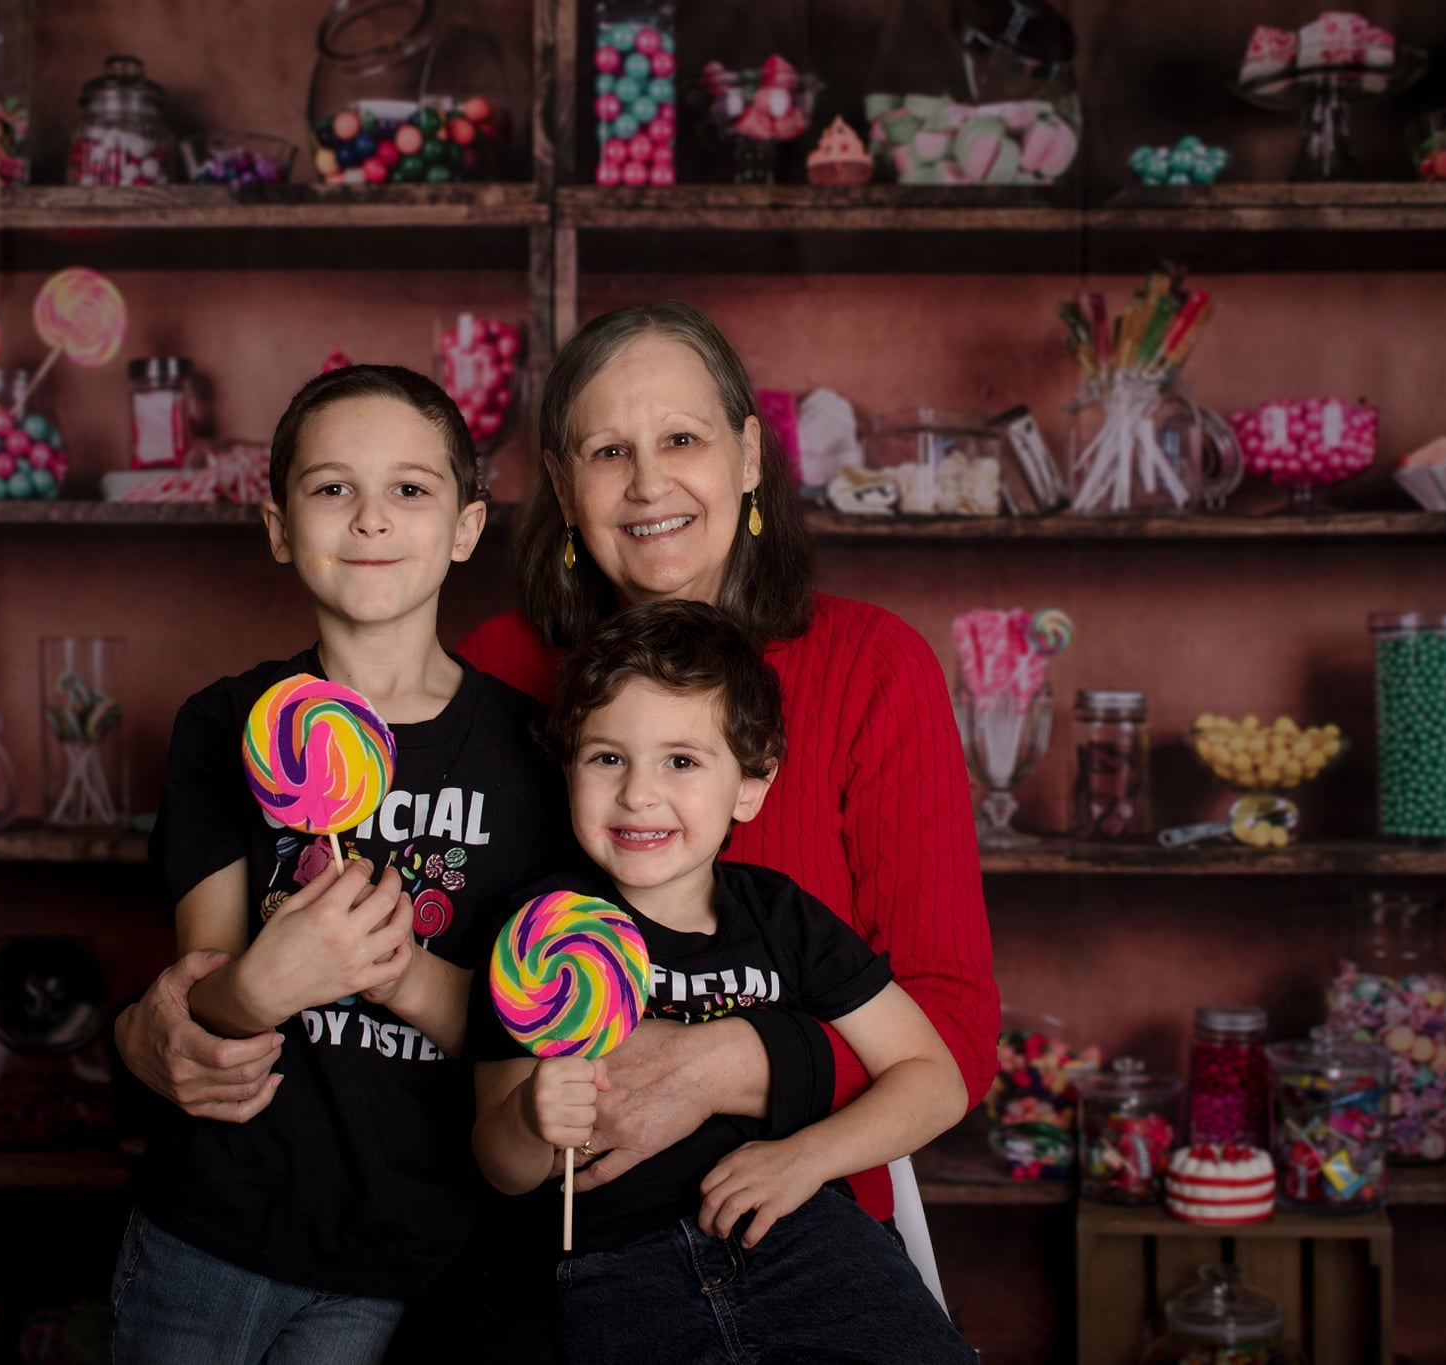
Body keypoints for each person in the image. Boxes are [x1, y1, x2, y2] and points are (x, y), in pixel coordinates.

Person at [458, 300, 998, 1213]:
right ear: (561, 481)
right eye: (607, 452)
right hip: (559, 1237)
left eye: (680, 438)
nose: (647, 485)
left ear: (747, 455)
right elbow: (442, 974)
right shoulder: (493, 671)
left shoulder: (874, 669)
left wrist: (723, 1061)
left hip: (799, 1219)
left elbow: (954, 1029)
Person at [115, 364, 569, 1362]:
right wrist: (263, 984)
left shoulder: (531, 756)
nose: (370, 519)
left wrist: (396, 972)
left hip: (406, 1250)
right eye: (330, 489)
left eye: (410, 488)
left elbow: (519, 1038)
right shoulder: (227, 723)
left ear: (466, 527)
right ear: (279, 526)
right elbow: (204, 1018)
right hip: (214, 1228)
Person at [468, 600, 975, 1363]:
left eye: (681, 760)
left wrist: (806, 1157)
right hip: (611, 1265)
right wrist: (530, 1119)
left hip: (806, 1237)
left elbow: (934, 1079)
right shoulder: (540, 936)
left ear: (751, 783)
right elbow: (500, 1168)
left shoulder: (783, 919)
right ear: (567, 764)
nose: (638, 793)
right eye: (607, 757)